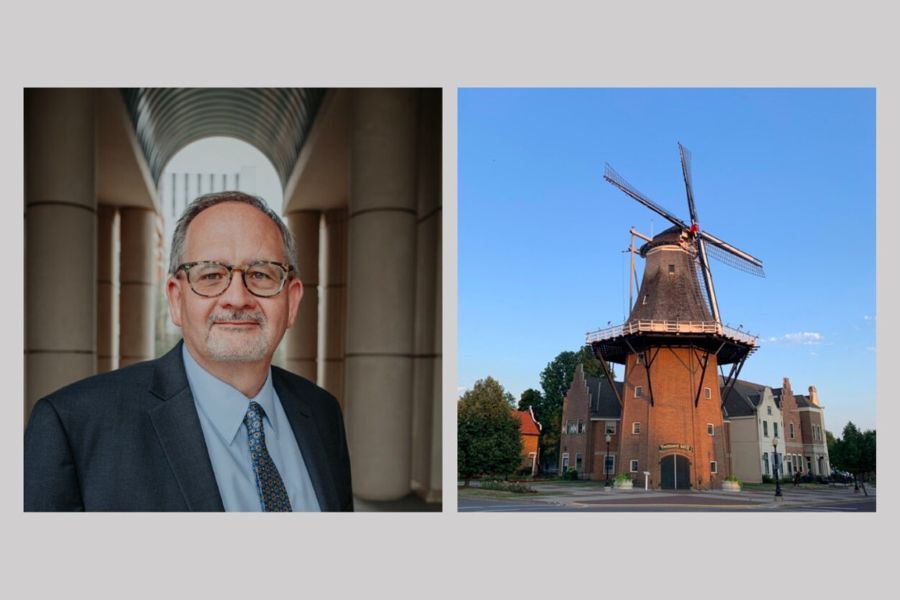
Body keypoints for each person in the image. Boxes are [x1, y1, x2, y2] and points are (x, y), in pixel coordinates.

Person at [24, 192, 353, 511]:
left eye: (261, 274)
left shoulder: (322, 413)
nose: (237, 298)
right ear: (176, 299)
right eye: (210, 275)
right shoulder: (72, 427)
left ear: (292, 301)